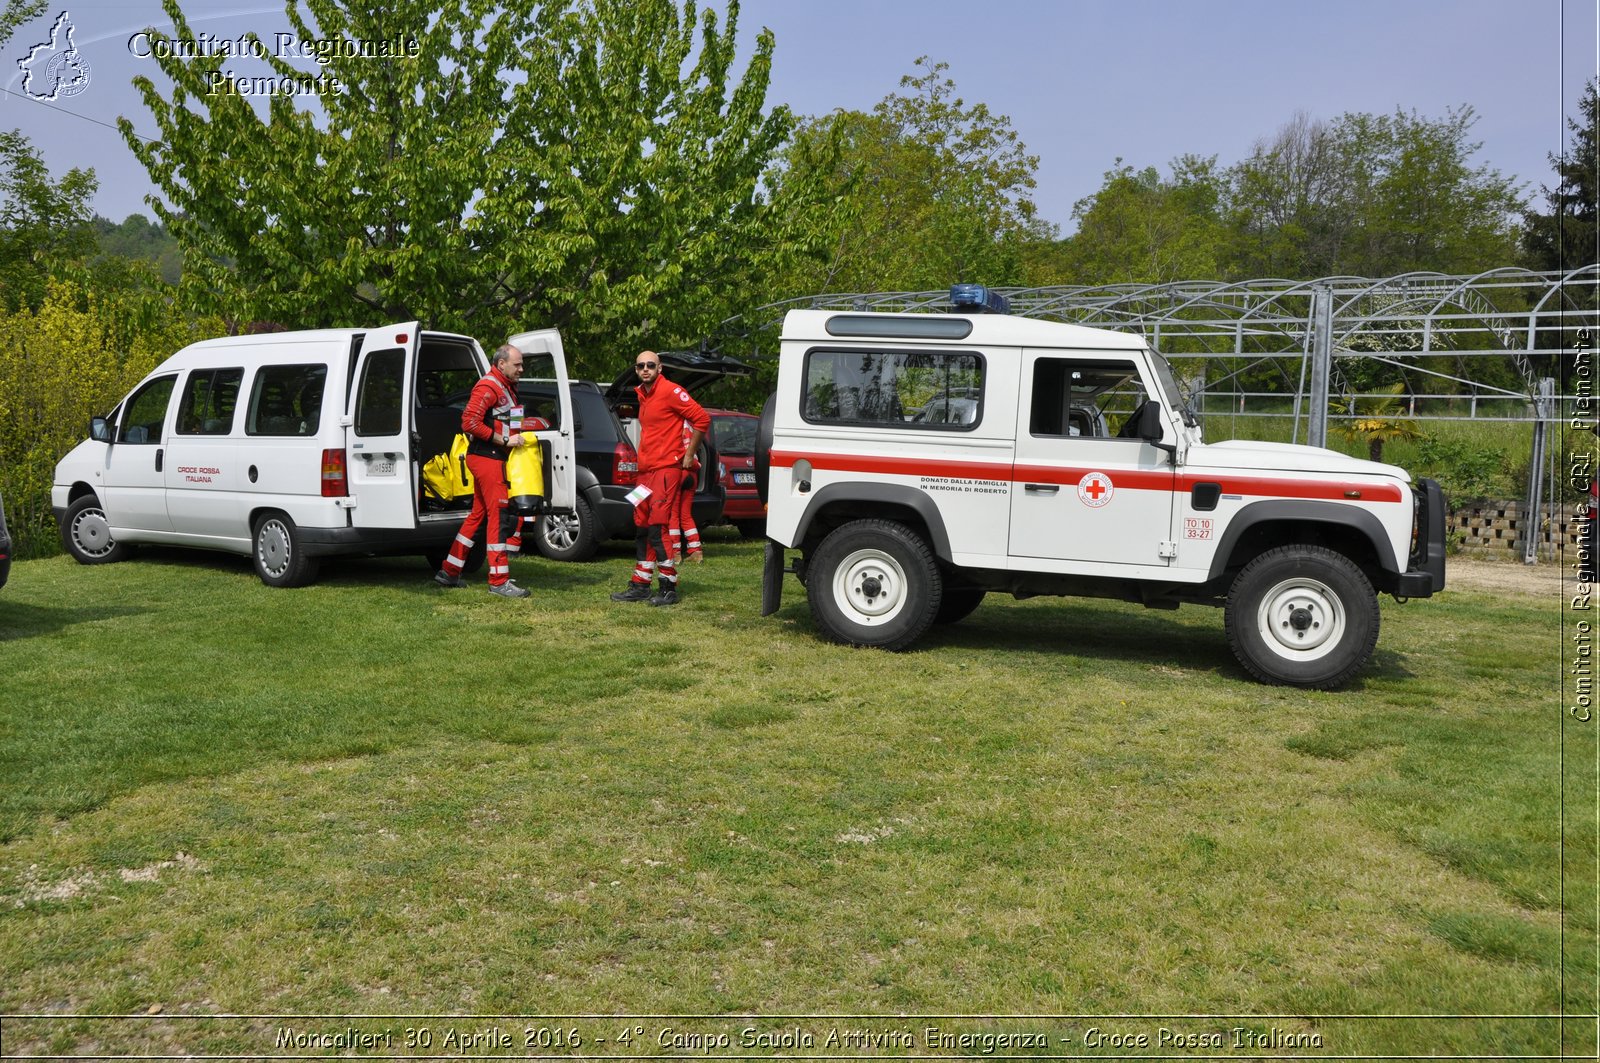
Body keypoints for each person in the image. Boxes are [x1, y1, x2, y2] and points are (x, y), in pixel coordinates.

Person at [610, 351, 709, 606]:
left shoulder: (671, 391)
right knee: (642, 525)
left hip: (666, 470)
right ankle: (641, 584)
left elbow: (701, 419)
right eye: (640, 365)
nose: (645, 369)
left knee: (657, 526)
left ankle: (668, 586)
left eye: (650, 365)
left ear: (659, 368)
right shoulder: (643, 394)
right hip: (645, 472)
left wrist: (689, 455)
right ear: (636, 369)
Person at [434, 343, 532, 598]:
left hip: (490, 457)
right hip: (488, 458)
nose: (522, 368)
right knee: (498, 517)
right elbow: (469, 421)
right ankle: (499, 581)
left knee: (478, 515)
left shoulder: (506, 386)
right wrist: (504, 441)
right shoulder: (489, 386)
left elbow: (507, 420)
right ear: (501, 364)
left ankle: (449, 571)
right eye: (517, 364)